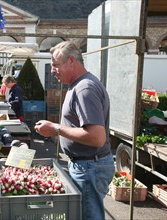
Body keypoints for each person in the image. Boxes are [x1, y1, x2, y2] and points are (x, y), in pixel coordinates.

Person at [34, 41, 114, 220]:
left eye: (55, 65)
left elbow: (96, 137)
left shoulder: (84, 88)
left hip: (89, 166)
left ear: (71, 61)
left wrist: (55, 128)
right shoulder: (79, 85)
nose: (52, 70)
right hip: (87, 165)